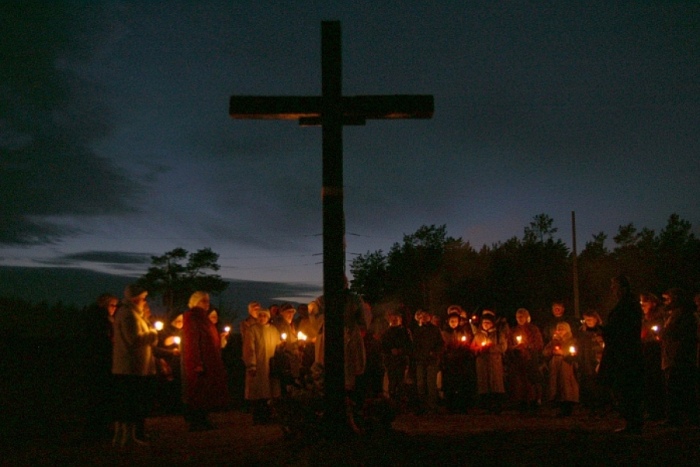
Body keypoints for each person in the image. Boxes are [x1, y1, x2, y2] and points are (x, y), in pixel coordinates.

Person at [111, 284, 158, 447]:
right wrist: (152, 333)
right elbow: (134, 339)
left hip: (133, 367)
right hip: (129, 367)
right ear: (135, 299)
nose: (145, 302)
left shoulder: (134, 315)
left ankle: (122, 436)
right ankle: (125, 437)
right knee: (129, 403)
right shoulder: (128, 315)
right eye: (143, 299)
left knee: (127, 402)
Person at [598, 275, 644, 434]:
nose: (612, 289)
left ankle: (634, 421)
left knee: (624, 386)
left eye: (614, 286)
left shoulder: (629, 305)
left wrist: (605, 331)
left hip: (624, 353)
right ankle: (632, 420)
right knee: (620, 386)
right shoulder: (626, 304)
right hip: (621, 351)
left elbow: (623, 329)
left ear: (622, 288)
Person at [181, 291, 229, 431]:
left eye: (208, 301)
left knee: (205, 392)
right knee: (198, 392)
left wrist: (220, 338)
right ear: (195, 302)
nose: (207, 304)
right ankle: (196, 421)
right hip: (201, 362)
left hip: (208, 360)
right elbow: (192, 341)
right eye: (203, 301)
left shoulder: (203, 318)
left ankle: (203, 419)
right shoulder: (193, 318)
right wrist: (197, 362)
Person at [82, 293, 119, 441]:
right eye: (112, 305)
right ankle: (97, 430)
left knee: (99, 395)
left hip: (100, 361)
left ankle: (98, 428)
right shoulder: (100, 319)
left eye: (116, 305)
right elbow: (101, 340)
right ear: (104, 305)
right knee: (99, 395)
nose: (115, 308)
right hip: (100, 362)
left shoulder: (103, 318)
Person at [660, 288, 699, 427]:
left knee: (681, 387)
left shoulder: (684, 315)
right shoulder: (673, 314)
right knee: (674, 387)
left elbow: (682, 335)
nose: (665, 302)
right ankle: (678, 417)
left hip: (679, 357)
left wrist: (667, 334)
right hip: (671, 357)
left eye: (668, 299)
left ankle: (683, 418)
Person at [243, 308, 282, 424]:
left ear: (268, 317)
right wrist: (251, 365)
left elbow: (277, 345)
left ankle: (268, 415)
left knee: (269, 390)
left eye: (265, 316)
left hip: (270, 364)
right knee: (258, 391)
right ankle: (258, 417)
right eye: (260, 316)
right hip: (258, 365)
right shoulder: (252, 330)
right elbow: (249, 349)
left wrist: (281, 346)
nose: (262, 318)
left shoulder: (274, 330)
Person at [471, 309, 507, 414]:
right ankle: (486, 406)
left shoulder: (498, 334)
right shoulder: (478, 335)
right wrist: (478, 350)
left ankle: (497, 406)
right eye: (484, 322)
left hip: (494, 362)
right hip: (482, 362)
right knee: (484, 383)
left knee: (495, 383)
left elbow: (503, 347)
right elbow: (473, 347)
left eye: (488, 322)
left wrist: (490, 348)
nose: (486, 325)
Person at [507, 308, 544, 412]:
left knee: (532, 380)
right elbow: (509, 345)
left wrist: (527, 346)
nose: (520, 319)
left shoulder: (533, 329)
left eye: (522, 316)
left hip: (531, 358)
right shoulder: (513, 330)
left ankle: (534, 401)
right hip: (518, 359)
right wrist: (515, 348)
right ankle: (521, 402)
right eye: (518, 317)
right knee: (519, 381)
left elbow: (539, 344)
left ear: (527, 317)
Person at [543, 322, 579, 417]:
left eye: (562, 329)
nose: (559, 331)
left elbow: (574, 351)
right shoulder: (554, 341)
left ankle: (568, 407)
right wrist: (552, 350)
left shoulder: (572, 340)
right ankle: (558, 406)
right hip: (555, 366)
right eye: (558, 329)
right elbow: (545, 352)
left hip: (566, 365)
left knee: (566, 385)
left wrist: (563, 352)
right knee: (556, 385)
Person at [440, 310, 473, 413]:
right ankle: (450, 406)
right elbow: (441, 346)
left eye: (455, 321)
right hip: (449, 361)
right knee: (450, 384)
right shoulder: (444, 332)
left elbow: (468, 344)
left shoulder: (463, 332)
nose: (453, 323)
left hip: (461, 361)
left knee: (461, 383)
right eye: (451, 321)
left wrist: (463, 346)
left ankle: (462, 405)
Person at [639, 293, 666, 421]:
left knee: (655, 380)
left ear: (653, 303)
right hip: (647, 350)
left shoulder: (659, 317)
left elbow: (661, 333)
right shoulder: (645, 318)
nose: (642, 304)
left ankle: (657, 411)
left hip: (655, 351)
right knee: (648, 380)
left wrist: (656, 336)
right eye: (641, 302)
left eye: (645, 302)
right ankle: (650, 410)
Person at [412, 309, 444, 414]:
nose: (424, 318)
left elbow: (440, 344)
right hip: (420, 360)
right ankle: (422, 406)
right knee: (420, 384)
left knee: (431, 384)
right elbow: (413, 345)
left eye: (426, 316)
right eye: (422, 316)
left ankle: (432, 406)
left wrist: (434, 352)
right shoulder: (416, 330)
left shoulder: (435, 330)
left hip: (431, 360)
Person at [577, 310, 607, 416]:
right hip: (586, 360)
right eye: (586, 320)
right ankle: (589, 406)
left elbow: (603, 345)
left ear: (596, 319)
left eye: (590, 319)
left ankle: (600, 406)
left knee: (598, 383)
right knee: (587, 382)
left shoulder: (600, 331)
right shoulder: (582, 331)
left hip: (597, 359)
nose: (588, 322)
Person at [381, 309, 413, 402]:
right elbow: (383, 346)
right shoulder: (386, 332)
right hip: (390, 361)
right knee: (392, 382)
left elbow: (409, 346)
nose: (395, 319)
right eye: (393, 317)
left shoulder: (405, 332)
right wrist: (390, 351)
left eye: (397, 317)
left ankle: (400, 402)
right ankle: (392, 401)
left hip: (401, 361)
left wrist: (401, 351)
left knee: (401, 382)